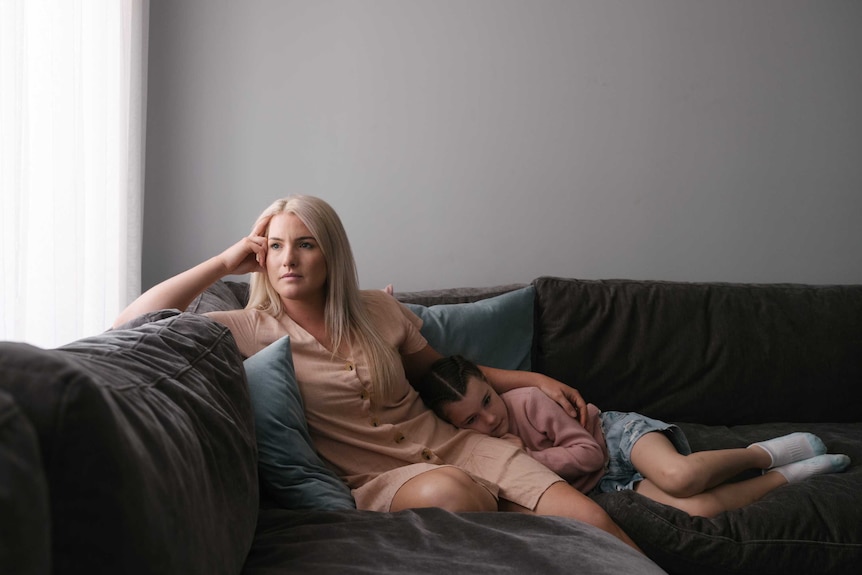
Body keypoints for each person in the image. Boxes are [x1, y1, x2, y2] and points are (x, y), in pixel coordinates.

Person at [114, 194, 642, 551]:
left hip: (463, 447)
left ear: (331, 253)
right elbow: (130, 326)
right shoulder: (249, 328)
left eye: (304, 243)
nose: (287, 259)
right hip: (380, 480)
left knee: (597, 526)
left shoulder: (377, 310)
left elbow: (440, 372)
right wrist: (224, 264)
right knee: (453, 494)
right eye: (275, 246)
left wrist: (530, 380)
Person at [415, 355, 851, 518]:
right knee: (695, 509)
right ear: (454, 426)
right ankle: (789, 476)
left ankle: (762, 454)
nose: (489, 421)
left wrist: (527, 458)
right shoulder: (479, 449)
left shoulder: (527, 400)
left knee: (679, 477)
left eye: (488, 401)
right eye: (470, 420)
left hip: (614, 439)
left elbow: (586, 453)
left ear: (494, 386)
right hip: (605, 485)